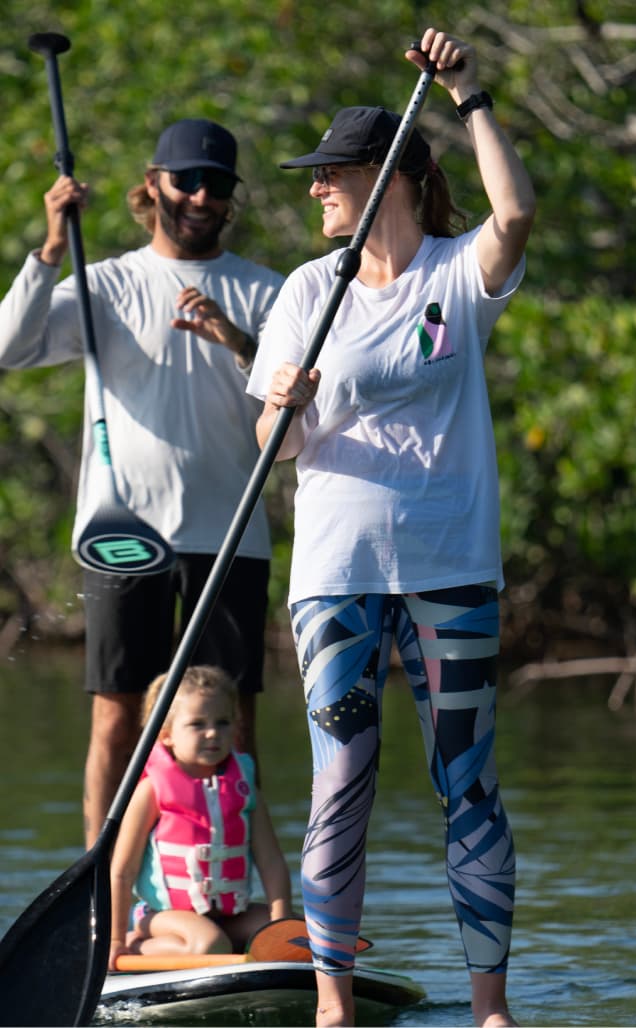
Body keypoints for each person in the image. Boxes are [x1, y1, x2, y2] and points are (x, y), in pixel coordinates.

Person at [247, 27, 535, 1028]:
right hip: (337, 573)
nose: (317, 187)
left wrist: (468, 95)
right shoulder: (302, 292)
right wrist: (282, 401)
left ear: (390, 179)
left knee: (469, 784)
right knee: (341, 786)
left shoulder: (456, 275)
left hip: (450, 563)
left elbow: (517, 209)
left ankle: (489, 1007)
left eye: (333, 172)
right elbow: (273, 449)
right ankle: (332, 1004)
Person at [0, 118, 284, 849]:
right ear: (152, 184)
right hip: (123, 535)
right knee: (117, 715)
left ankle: (228, 882)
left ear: (231, 198)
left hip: (230, 537)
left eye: (216, 185)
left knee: (234, 721)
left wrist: (238, 342)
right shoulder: (107, 282)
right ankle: (106, 888)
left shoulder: (266, 291)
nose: (199, 196)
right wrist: (52, 248)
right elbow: (10, 347)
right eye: (185, 180)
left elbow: (296, 407)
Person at [108, 665, 292, 968]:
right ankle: (137, 945)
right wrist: (114, 940)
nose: (212, 733)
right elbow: (122, 871)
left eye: (222, 722)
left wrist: (282, 923)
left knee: (298, 935)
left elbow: (271, 862)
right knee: (209, 944)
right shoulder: (151, 790)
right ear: (167, 736)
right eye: (197, 724)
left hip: (229, 916)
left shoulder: (245, 789)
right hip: (164, 917)